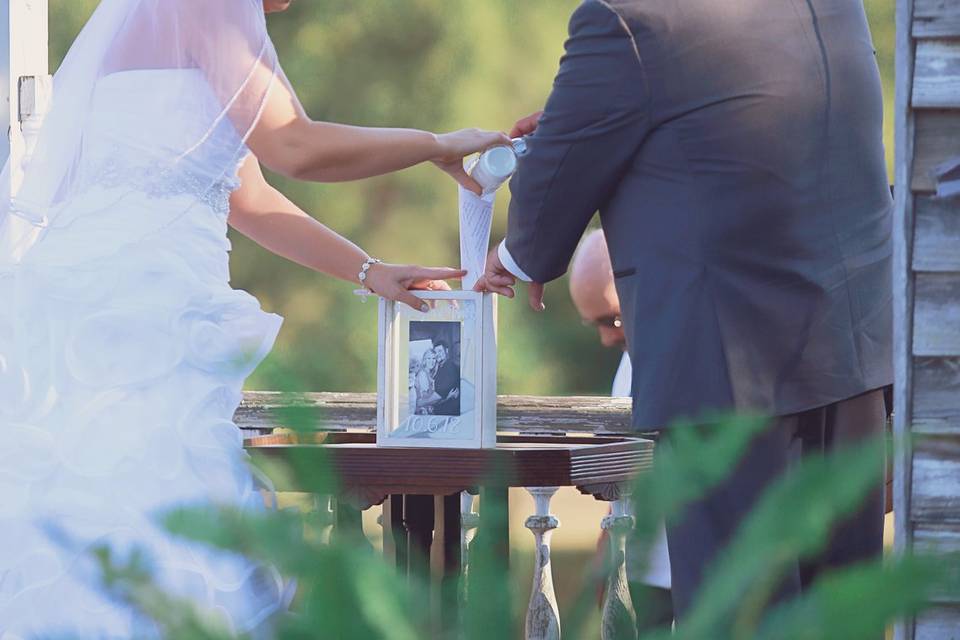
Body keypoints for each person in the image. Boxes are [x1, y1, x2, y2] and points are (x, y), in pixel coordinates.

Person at [0, 0, 507, 636]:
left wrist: (366, 269)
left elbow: (249, 194)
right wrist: (436, 144)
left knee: (108, 489)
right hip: (142, 307)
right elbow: (294, 143)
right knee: (142, 489)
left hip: (97, 295)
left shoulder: (171, 21)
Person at [478, 0, 891, 622]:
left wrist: (520, 255)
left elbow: (566, 157)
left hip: (726, 363)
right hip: (852, 350)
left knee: (739, 611)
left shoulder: (623, 17)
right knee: (843, 612)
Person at [570, 229, 673, 631]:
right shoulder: (632, 356)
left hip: (697, 570)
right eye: (592, 323)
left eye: (611, 319)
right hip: (643, 574)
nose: (606, 337)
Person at [431, 340, 461, 416]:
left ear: (446, 351)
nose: (437, 354)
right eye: (436, 352)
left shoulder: (449, 367)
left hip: (447, 413)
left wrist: (418, 403)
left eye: (440, 351)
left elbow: (438, 396)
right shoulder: (440, 367)